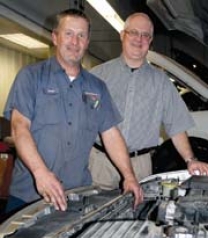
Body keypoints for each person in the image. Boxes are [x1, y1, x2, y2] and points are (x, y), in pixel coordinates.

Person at [3, 9, 143, 213]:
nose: (74, 41)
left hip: (76, 196)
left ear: (87, 42)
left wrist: (129, 176)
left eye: (81, 35)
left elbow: (111, 134)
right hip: (29, 194)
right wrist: (40, 173)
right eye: (68, 33)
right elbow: (19, 127)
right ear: (55, 37)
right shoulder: (31, 77)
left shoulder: (97, 88)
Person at [89, 12, 208, 190]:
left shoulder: (162, 83)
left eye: (145, 35)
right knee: (94, 212)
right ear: (123, 35)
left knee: (136, 215)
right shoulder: (97, 76)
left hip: (139, 166)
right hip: (100, 163)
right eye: (134, 32)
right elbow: (81, 121)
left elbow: (176, 125)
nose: (139, 39)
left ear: (150, 41)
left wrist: (190, 160)